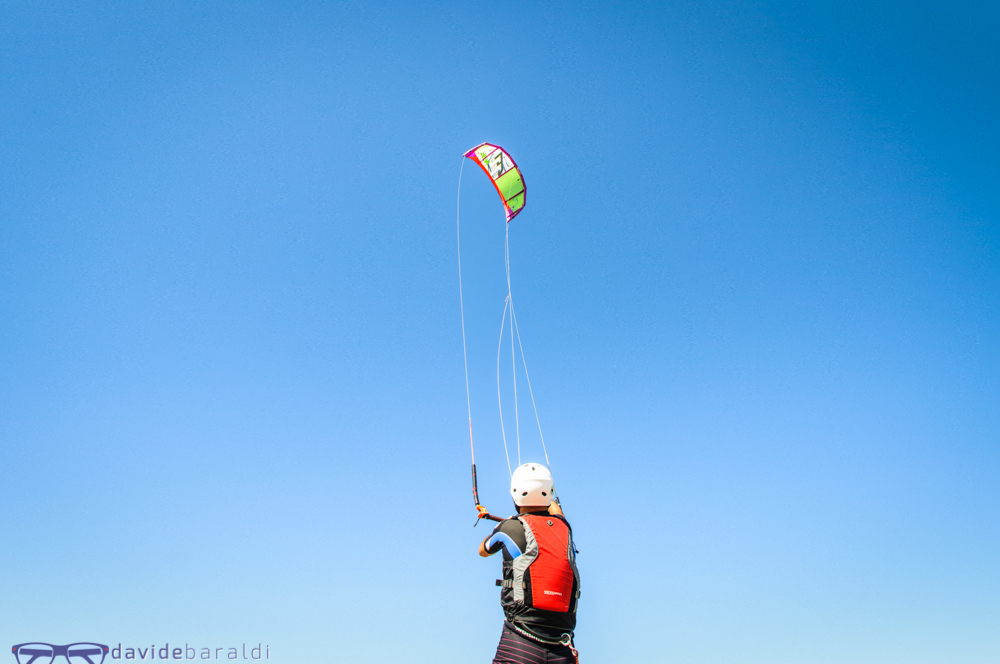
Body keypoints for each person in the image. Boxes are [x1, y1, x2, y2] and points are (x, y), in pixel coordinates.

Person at [479, 463, 581, 664]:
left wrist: (507, 524)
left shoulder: (509, 527)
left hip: (521, 644)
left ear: (515, 493)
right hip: (562, 649)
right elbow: (556, 510)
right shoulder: (564, 528)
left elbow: (483, 550)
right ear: (549, 493)